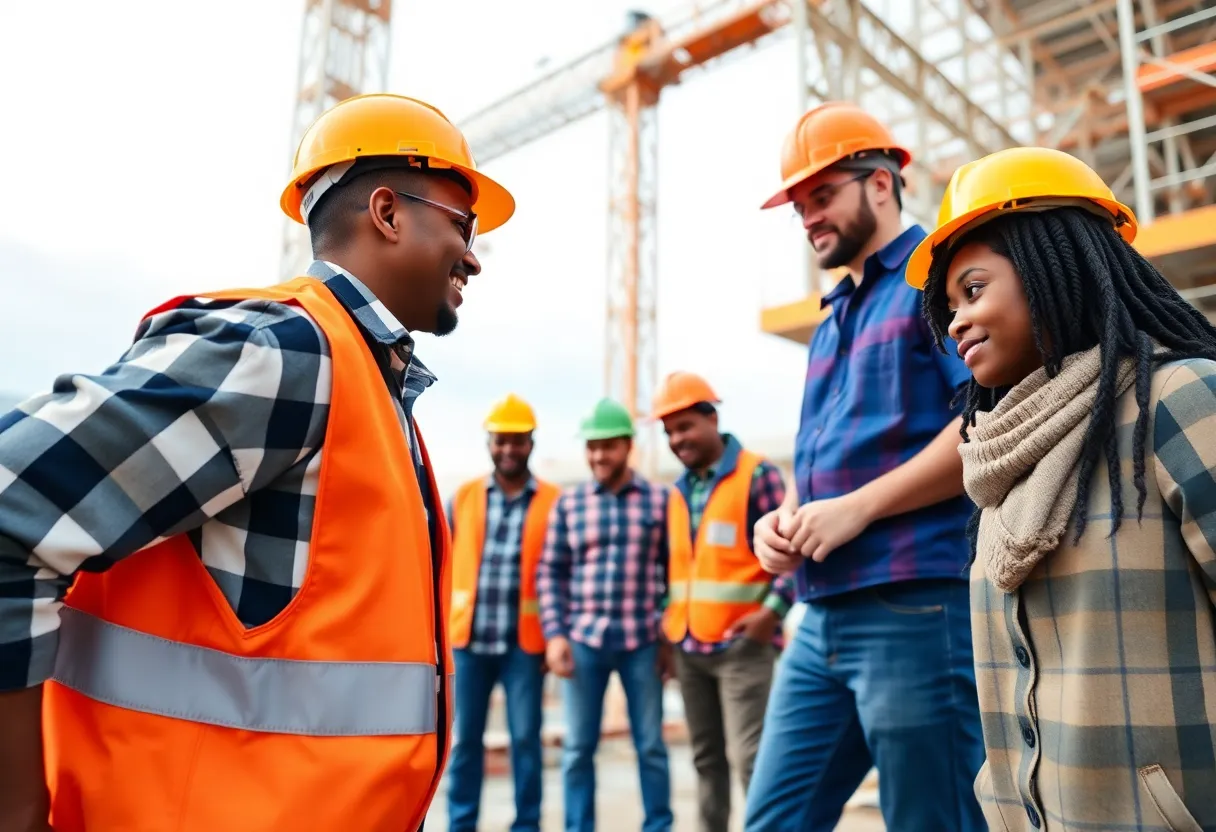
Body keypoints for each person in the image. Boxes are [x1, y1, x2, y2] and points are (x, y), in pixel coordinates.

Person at [0, 92, 515, 832]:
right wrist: (17, 809)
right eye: (463, 226)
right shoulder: (286, 354)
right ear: (387, 212)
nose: (472, 255)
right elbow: (11, 500)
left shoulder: (367, 383)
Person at [909, 145, 1216, 831]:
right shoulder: (996, 470)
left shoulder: (1179, 401)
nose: (954, 320)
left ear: (1062, 267)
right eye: (949, 304)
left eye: (975, 288)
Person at [744, 101, 986, 831]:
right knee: (773, 821)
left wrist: (860, 509)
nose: (809, 216)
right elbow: (828, 459)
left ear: (880, 183)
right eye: (800, 205)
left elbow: (984, 426)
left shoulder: (934, 280)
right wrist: (781, 521)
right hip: (821, 615)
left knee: (931, 819)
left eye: (823, 196)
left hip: (916, 603)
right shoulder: (833, 315)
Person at [650, 371, 793, 832]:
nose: (677, 440)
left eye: (686, 426)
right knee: (706, 761)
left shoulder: (758, 475)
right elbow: (674, 574)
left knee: (752, 760)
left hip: (742, 650)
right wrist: (668, 633)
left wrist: (770, 614)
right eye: (669, 432)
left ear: (712, 418)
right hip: (690, 649)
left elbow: (793, 557)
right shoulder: (676, 492)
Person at [537, 398, 673, 832]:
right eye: (592, 447)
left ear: (628, 446)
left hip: (643, 642)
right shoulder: (569, 504)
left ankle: (658, 825)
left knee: (651, 745)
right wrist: (556, 635)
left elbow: (677, 573)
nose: (598, 456)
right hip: (584, 642)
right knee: (578, 748)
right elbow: (551, 571)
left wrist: (668, 636)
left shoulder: (660, 501)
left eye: (608, 446)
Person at [445, 393, 560, 832]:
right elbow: (442, 566)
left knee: (526, 742)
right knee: (466, 743)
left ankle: (526, 825)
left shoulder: (552, 502)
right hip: (469, 642)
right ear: (489, 443)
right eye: (500, 440)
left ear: (531, 442)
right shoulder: (465, 498)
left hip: (525, 645)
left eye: (517, 440)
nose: (508, 449)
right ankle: (461, 825)